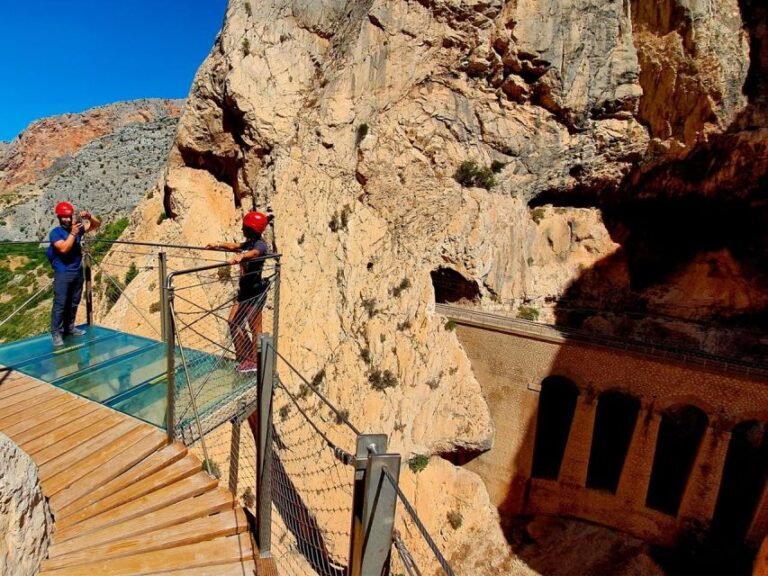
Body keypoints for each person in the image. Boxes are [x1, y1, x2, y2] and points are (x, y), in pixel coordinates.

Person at [206, 211, 271, 373]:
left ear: (251, 229)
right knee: (233, 322)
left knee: (255, 327)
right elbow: (234, 246)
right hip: (244, 291)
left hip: (254, 292)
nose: (242, 229)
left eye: (244, 227)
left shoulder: (260, 245)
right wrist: (217, 245)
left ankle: (256, 362)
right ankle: (246, 356)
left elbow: (255, 253)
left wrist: (242, 257)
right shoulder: (249, 243)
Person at [47, 201, 101, 347]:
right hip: (63, 272)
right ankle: (56, 332)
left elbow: (96, 225)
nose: (66, 219)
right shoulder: (55, 233)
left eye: (68, 216)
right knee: (60, 303)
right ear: (59, 217)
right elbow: (63, 248)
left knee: (74, 301)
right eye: (63, 217)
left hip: (77, 271)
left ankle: (69, 327)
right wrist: (73, 234)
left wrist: (89, 216)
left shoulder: (76, 229)